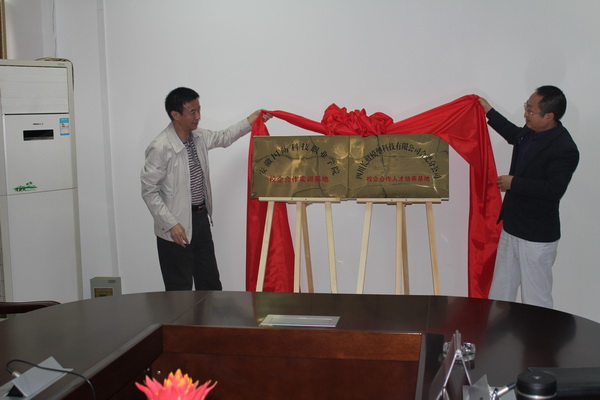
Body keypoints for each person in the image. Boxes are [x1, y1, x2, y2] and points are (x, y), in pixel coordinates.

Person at [141, 87, 270, 291]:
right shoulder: (160, 147)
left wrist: (250, 120)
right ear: (175, 115)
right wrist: (171, 224)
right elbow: (149, 191)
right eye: (192, 112)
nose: (198, 116)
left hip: (201, 220)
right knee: (179, 291)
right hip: (175, 227)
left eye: (199, 110)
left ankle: (208, 314)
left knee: (210, 285)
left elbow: (224, 137)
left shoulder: (198, 137)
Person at [478, 86, 579, 308]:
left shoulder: (564, 148)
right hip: (512, 226)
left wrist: (514, 183)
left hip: (536, 236)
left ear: (549, 116)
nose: (526, 113)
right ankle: (496, 329)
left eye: (530, 110)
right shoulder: (530, 131)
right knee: (501, 291)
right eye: (527, 107)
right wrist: (488, 111)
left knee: (536, 298)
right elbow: (513, 134)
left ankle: (540, 333)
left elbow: (553, 190)